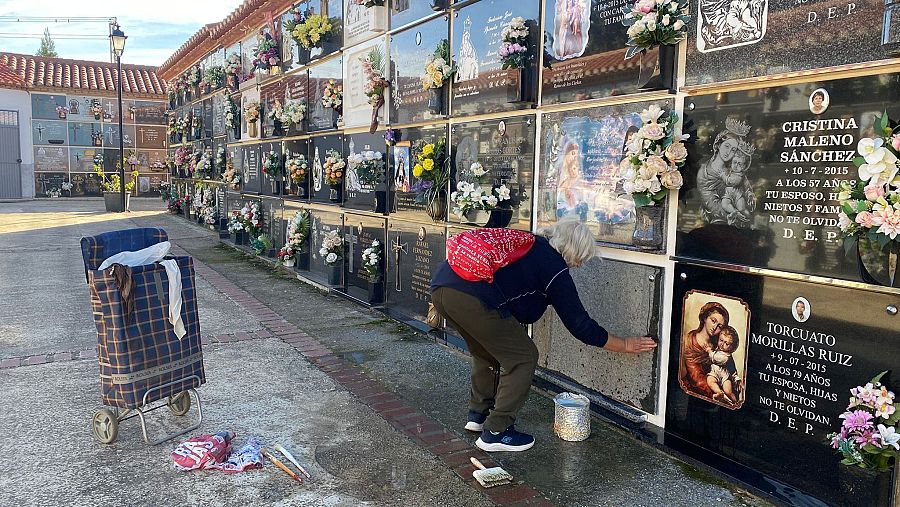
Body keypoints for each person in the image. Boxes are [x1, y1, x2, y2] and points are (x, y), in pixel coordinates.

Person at [430, 219, 656, 452]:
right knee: (524, 357)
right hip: (473, 298)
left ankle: (478, 415)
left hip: (442, 288)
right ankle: (496, 431)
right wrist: (626, 344)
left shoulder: (532, 245)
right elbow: (580, 326)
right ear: (573, 250)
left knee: (488, 352)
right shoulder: (554, 268)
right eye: (582, 258)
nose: (579, 265)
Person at [681, 301, 729, 398]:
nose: (715, 327)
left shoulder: (718, 345)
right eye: (713, 321)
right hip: (696, 390)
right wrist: (718, 392)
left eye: (720, 326)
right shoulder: (691, 341)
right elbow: (696, 378)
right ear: (705, 318)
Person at [707, 325, 740, 405]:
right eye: (721, 340)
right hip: (714, 373)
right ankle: (719, 393)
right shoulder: (718, 349)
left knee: (728, 391)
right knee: (710, 381)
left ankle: (736, 402)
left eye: (727, 344)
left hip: (724, 376)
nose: (722, 344)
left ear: (731, 347)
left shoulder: (726, 356)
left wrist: (709, 351)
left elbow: (715, 358)